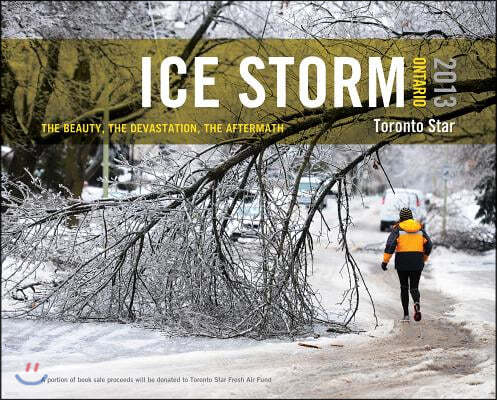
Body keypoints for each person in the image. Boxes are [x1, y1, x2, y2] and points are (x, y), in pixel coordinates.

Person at [381, 207, 432, 322]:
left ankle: (406, 315)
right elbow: (429, 245)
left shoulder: (398, 229)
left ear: (401, 217)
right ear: (411, 217)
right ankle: (416, 303)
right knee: (414, 287)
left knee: (404, 288)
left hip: (402, 262)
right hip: (417, 262)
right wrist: (423, 258)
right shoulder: (420, 229)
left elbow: (390, 246)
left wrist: (385, 261)